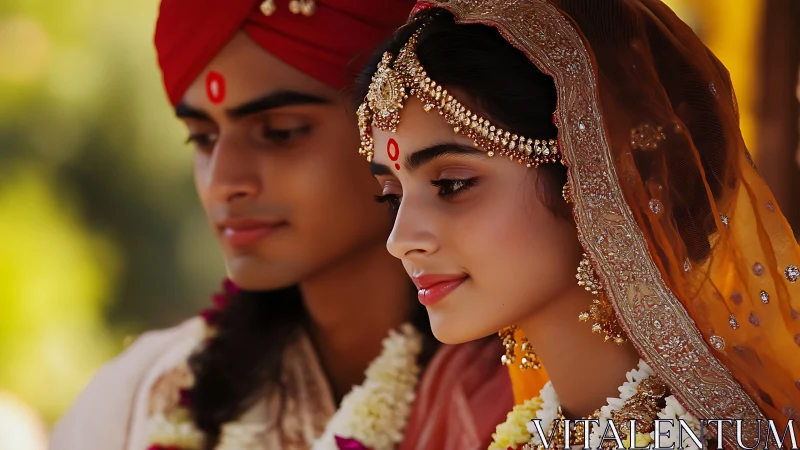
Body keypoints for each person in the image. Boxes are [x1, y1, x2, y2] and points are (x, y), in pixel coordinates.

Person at [49, 1, 518, 449]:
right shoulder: (138, 397)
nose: (224, 182)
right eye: (203, 138)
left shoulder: (535, 395)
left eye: (280, 133)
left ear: (391, 129)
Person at [356, 1, 800, 448]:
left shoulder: (727, 436)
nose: (401, 241)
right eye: (391, 197)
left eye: (452, 185)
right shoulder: (533, 430)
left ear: (597, 178)